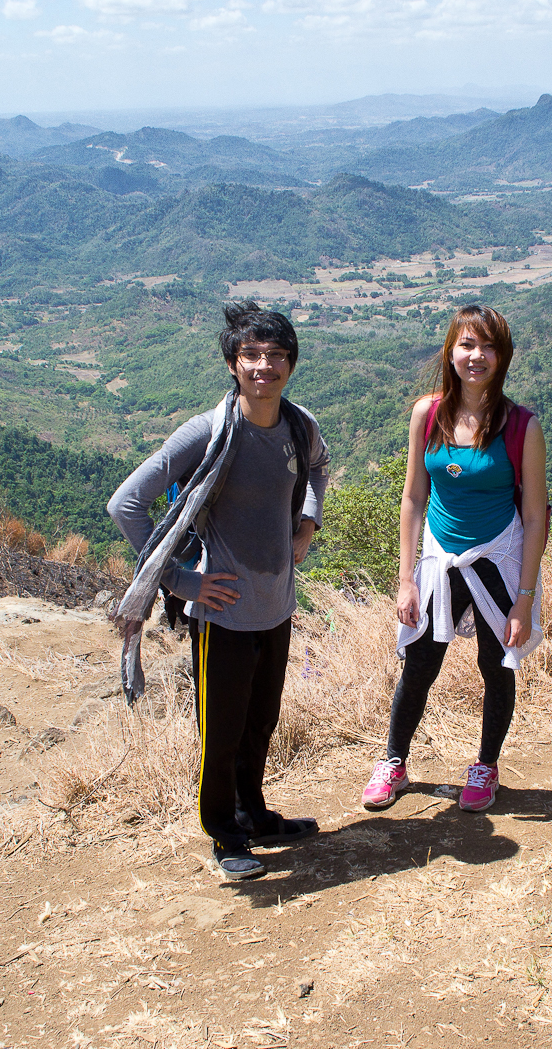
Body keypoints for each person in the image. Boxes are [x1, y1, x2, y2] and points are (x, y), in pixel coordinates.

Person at [108, 302, 330, 881]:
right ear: (233, 364)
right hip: (223, 615)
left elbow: (319, 467)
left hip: (276, 604)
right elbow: (126, 503)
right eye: (251, 355)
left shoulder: (298, 425)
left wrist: (307, 521)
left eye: (276, 356)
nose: (264, 366)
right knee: (221, 733)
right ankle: (224, 836)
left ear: (291, 363)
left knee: (261, 721)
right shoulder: (209, 431)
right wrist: (182, 581)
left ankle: (253, 815)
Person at [363, 304, 547, 814]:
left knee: (496, 664)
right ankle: (394, 764)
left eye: (488, 346)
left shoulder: (522, 426)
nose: (477, 356)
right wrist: (406, 578)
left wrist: (524, 600)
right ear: (451, 351)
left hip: (498, 559)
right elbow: (413, 498)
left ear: (503, 356)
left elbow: (535, 517)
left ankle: (485, 766)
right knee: (419, 664)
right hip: (440, 558)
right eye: (467, 345)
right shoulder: (429, 414)